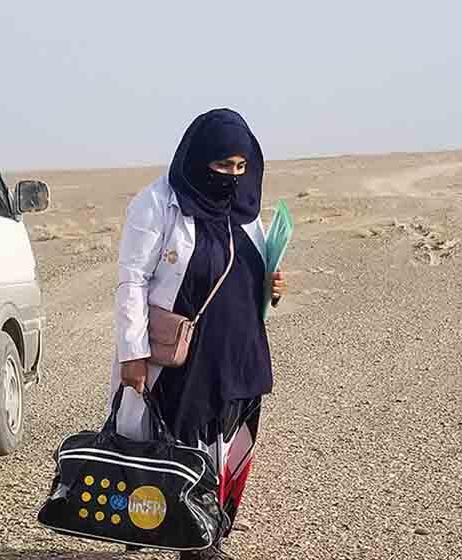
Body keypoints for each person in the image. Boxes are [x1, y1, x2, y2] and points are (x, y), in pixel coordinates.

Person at [110, 108, 286, 559]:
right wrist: (132, 353)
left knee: (232, 442)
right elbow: (132, 280)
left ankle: (213, 531)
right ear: (198, 160)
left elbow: (247, 268)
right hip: (187, 358)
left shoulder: (244, 209)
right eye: (222, 165)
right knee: (188, 442)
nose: (231, 176)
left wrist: (273, 283)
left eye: (240, 167)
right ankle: (194, 541)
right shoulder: (157, 203)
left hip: (240, 351)